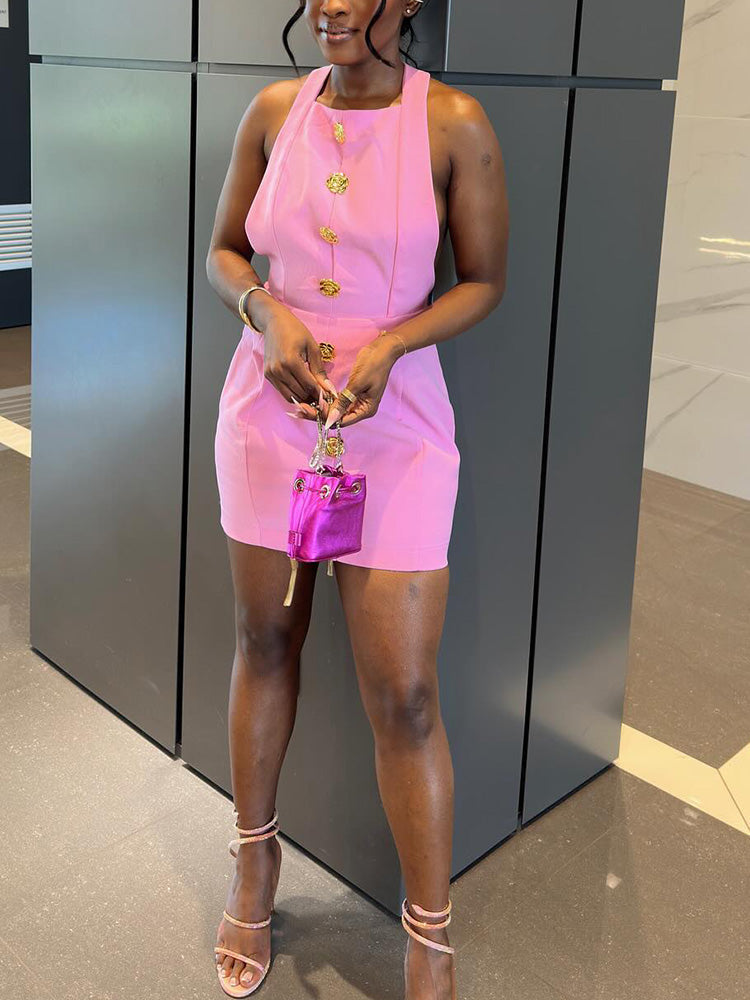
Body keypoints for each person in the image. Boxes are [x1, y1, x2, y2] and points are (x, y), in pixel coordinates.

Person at [206, 2, 509, 997]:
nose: (329, 2)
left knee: (407, 694)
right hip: (272, 410)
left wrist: (393, 343)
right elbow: (223, 254)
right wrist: (266, 312)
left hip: (396, 420)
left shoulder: (454, 122)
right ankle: (255, 862)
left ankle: (430, 934)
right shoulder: (272, 110)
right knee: (264, 641)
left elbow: (484, 279)